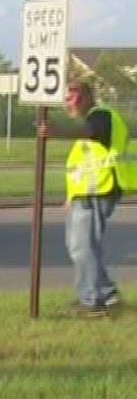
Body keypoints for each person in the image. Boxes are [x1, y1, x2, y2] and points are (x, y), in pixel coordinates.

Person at [39, 80, 133, 317]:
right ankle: (107, 294)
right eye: (66, 96)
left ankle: (91, 302)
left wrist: (56, 131)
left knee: (82, 247)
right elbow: (84, 165)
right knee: (80, 246)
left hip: (99, 191)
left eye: (75, 94)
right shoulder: (92, 119)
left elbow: (87, 131)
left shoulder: (101, 115)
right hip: (87, 193)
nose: (69, 101)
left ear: (90, 95)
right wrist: (72, 196)